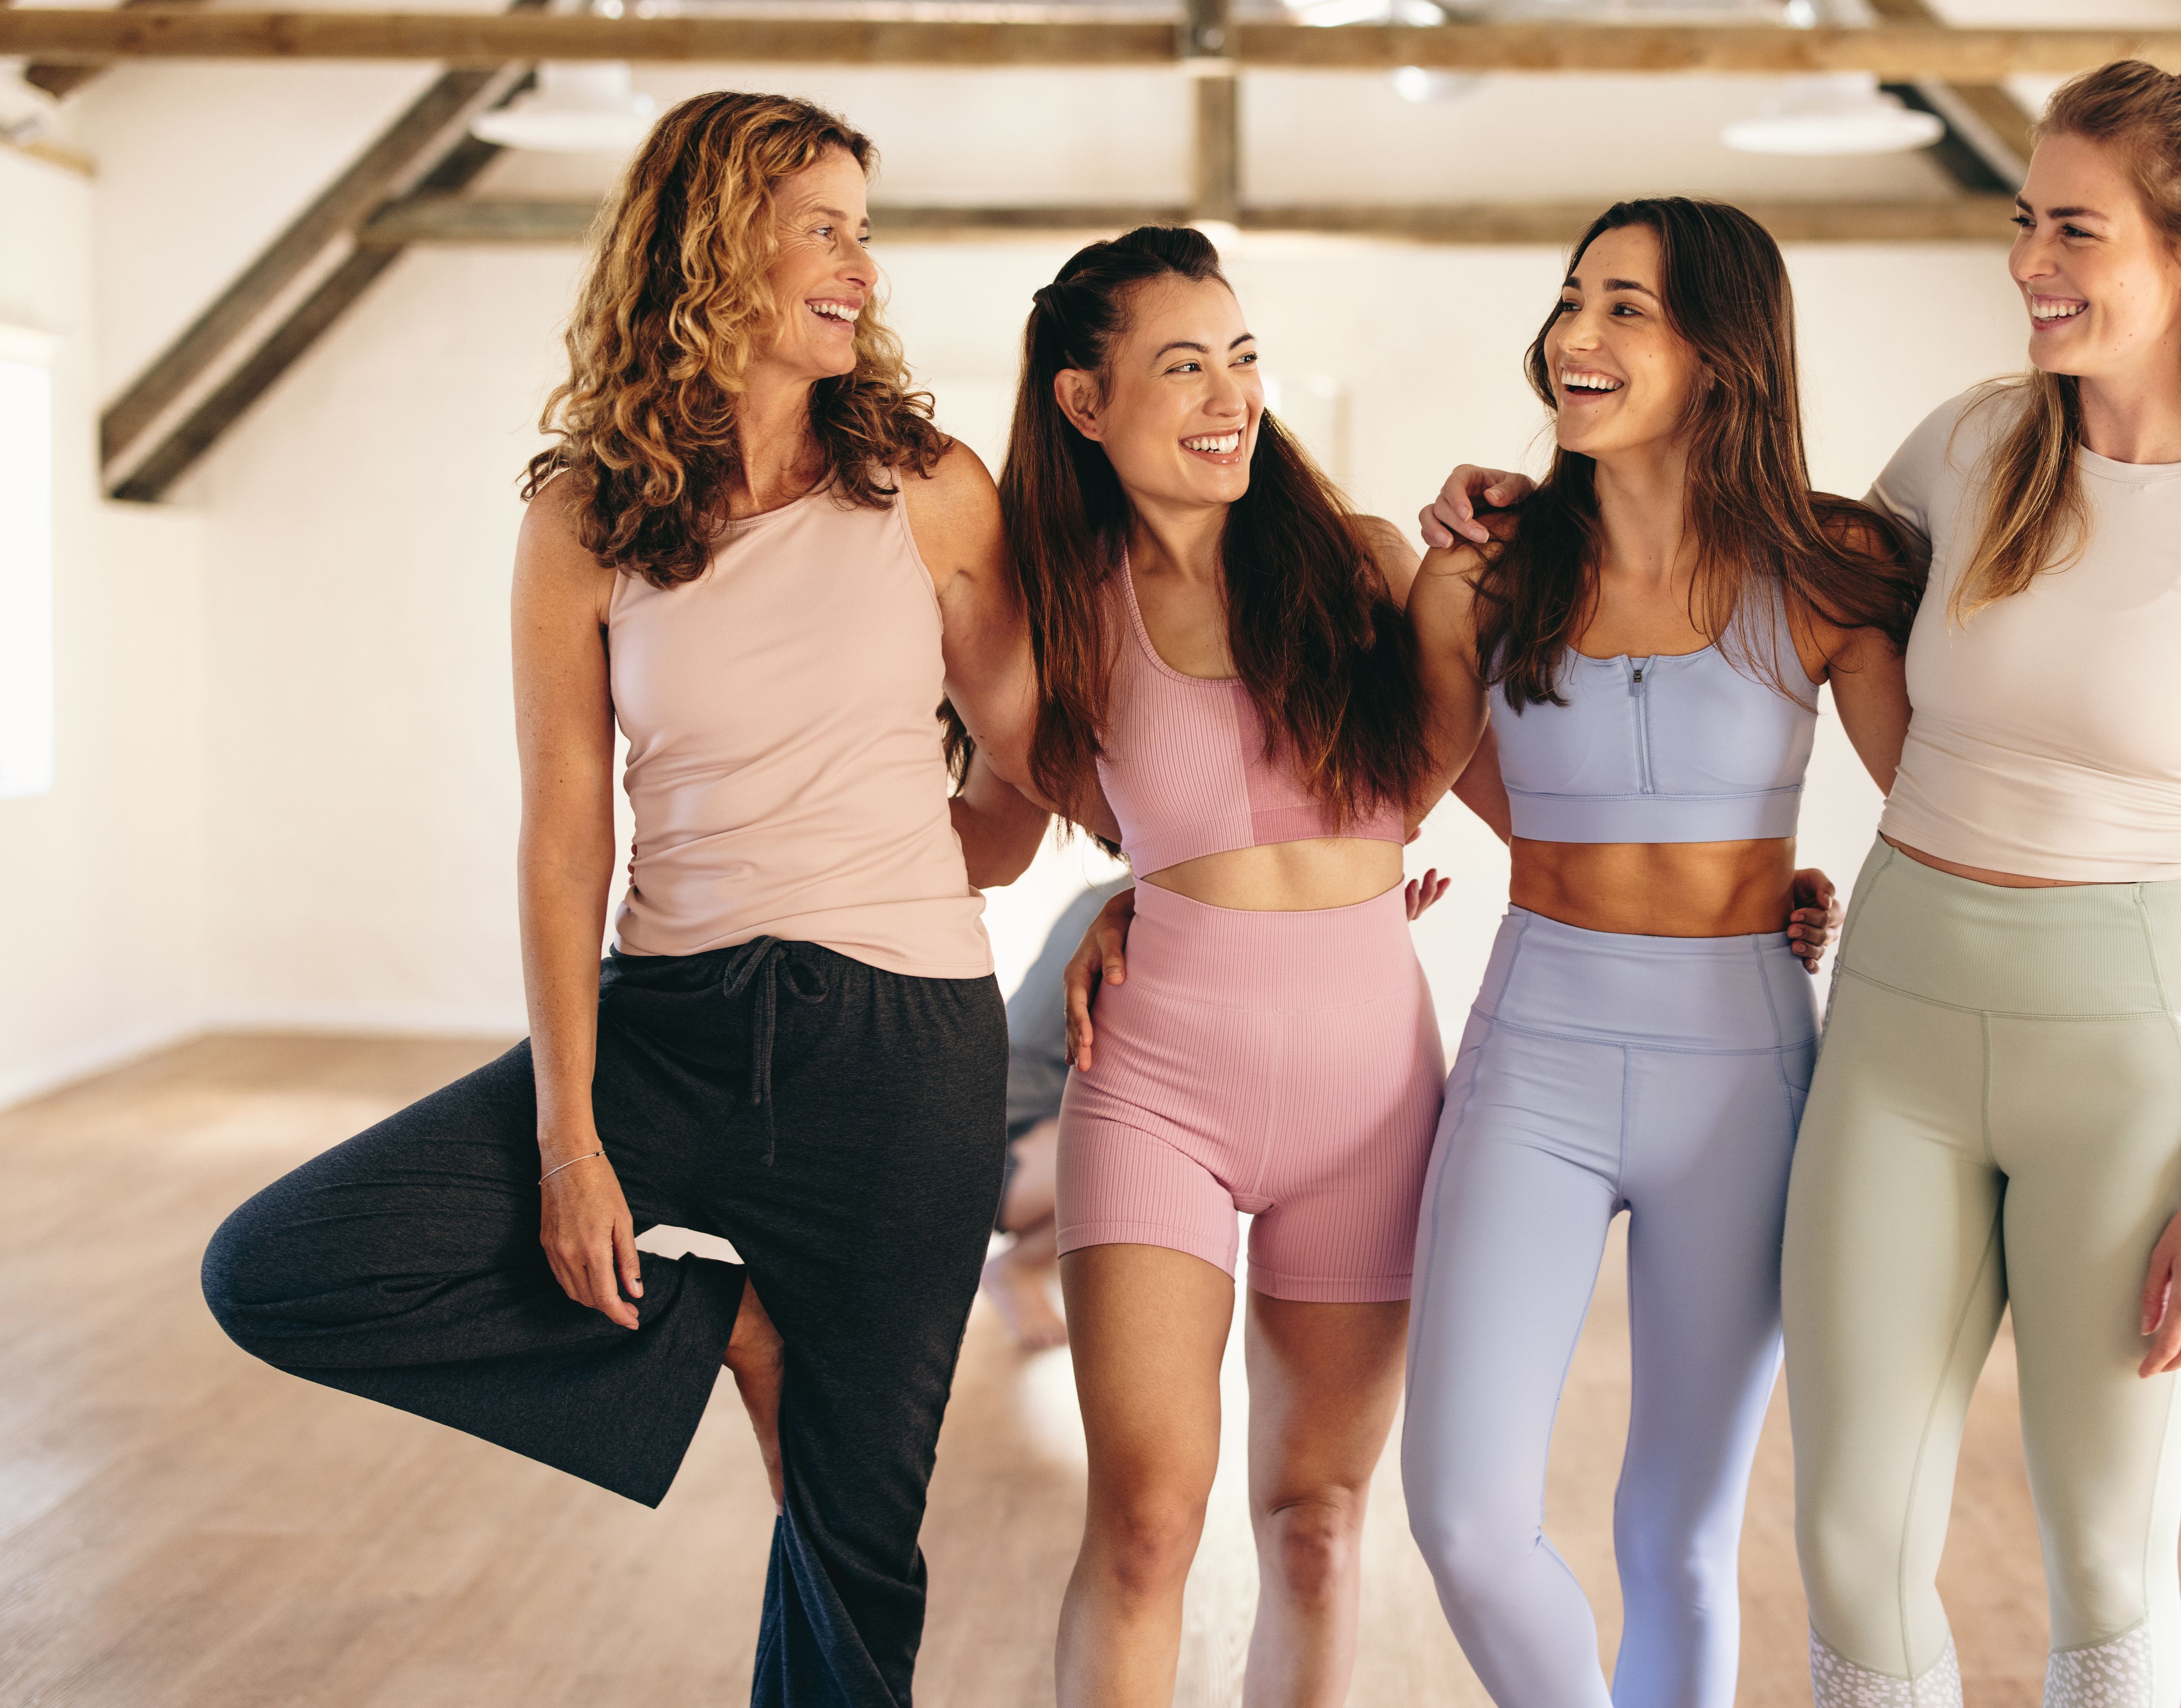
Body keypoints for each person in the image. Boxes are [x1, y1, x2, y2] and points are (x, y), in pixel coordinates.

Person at [198, 93, 1048, 1708]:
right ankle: (722, 1323)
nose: (861, 265)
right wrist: (569, 1141)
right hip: (671, 1024)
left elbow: (1033, 766)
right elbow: (563, 841)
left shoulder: (926, 486)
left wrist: (1151, 888)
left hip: (898, 1051)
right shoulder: (583, 515)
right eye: (823, 228)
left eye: (863, 231)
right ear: (714, 242)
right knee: (284, 1264)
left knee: (851, 1541)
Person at [1773, 51, 2181, 1706]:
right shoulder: (1969, 445)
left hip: (2127, 1060)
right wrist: (1529, 517)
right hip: (1894, 1024)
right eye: (2022, 222)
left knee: (2104, 1556)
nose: (2027, 264)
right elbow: (1775, 592)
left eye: (2072, 230)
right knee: (1846, 1535)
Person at [1394, 198, 1911, 1708]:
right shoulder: (1484, 573)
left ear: (1721, 354)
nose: (1576, 334)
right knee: (1463, 1519)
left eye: (1625, 306)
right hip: (1533, 1049)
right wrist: (1151, 903)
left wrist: (2179, 898)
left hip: (1742, 1067)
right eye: (1571, 299)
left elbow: (1955, 810)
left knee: (1674, 1536)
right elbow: (1379, 792)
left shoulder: (1826, 569)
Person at [996, 226, 1454, 1708]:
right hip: (1156, 1091)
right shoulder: (1062, 609)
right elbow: (1002, 826)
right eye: (1183, 364)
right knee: (1144, 1522)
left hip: (1368, 1099)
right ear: (1084, 402)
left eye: (1242, 358)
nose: (1229, 395)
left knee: (1314, 1527)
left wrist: (1751, 889)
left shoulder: (1365, 566)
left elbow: (1536, 798)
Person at [980, 876, 1133, 1349]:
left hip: (1016, 1115)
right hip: (992, 1149)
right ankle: (1019, 1268)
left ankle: (1023, 1265)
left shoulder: (1111, 896)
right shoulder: (1130, 907)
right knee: (1143, 1155)